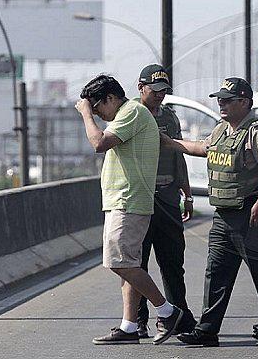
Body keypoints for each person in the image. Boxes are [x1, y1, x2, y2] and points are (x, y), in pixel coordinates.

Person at [163, 77, 258, 347]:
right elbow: (203, 148)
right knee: (216, 273)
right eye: (220, 99)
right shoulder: (221, 130)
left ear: (245, 102)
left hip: (250, 214)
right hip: (223, 215)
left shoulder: (257, 132)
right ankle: (206, 331)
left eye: (228, 99)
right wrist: (171, 143)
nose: (221, 103)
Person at [76, 75, 184, 345]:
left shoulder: (132, 111)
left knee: (119, 262)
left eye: (99, 107)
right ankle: (130, 325)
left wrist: (85, 115)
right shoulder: (128, 114)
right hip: (123, 200)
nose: (99, 114)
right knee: (130, 264)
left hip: (129, 200)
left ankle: (167, 312)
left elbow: (98, 143)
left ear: (111, 98)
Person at [134, 64, 197, 338]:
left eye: (164, 91)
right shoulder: (130, 115)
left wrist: (187, 192)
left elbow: (178, 155)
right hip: (139, 199)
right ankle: (137, 320)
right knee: (137, 263)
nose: (160, 95)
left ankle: (178, 316)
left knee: (173, 262)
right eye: (155, 90)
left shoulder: (170, 118)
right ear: (141, 88)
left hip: (168, 197)